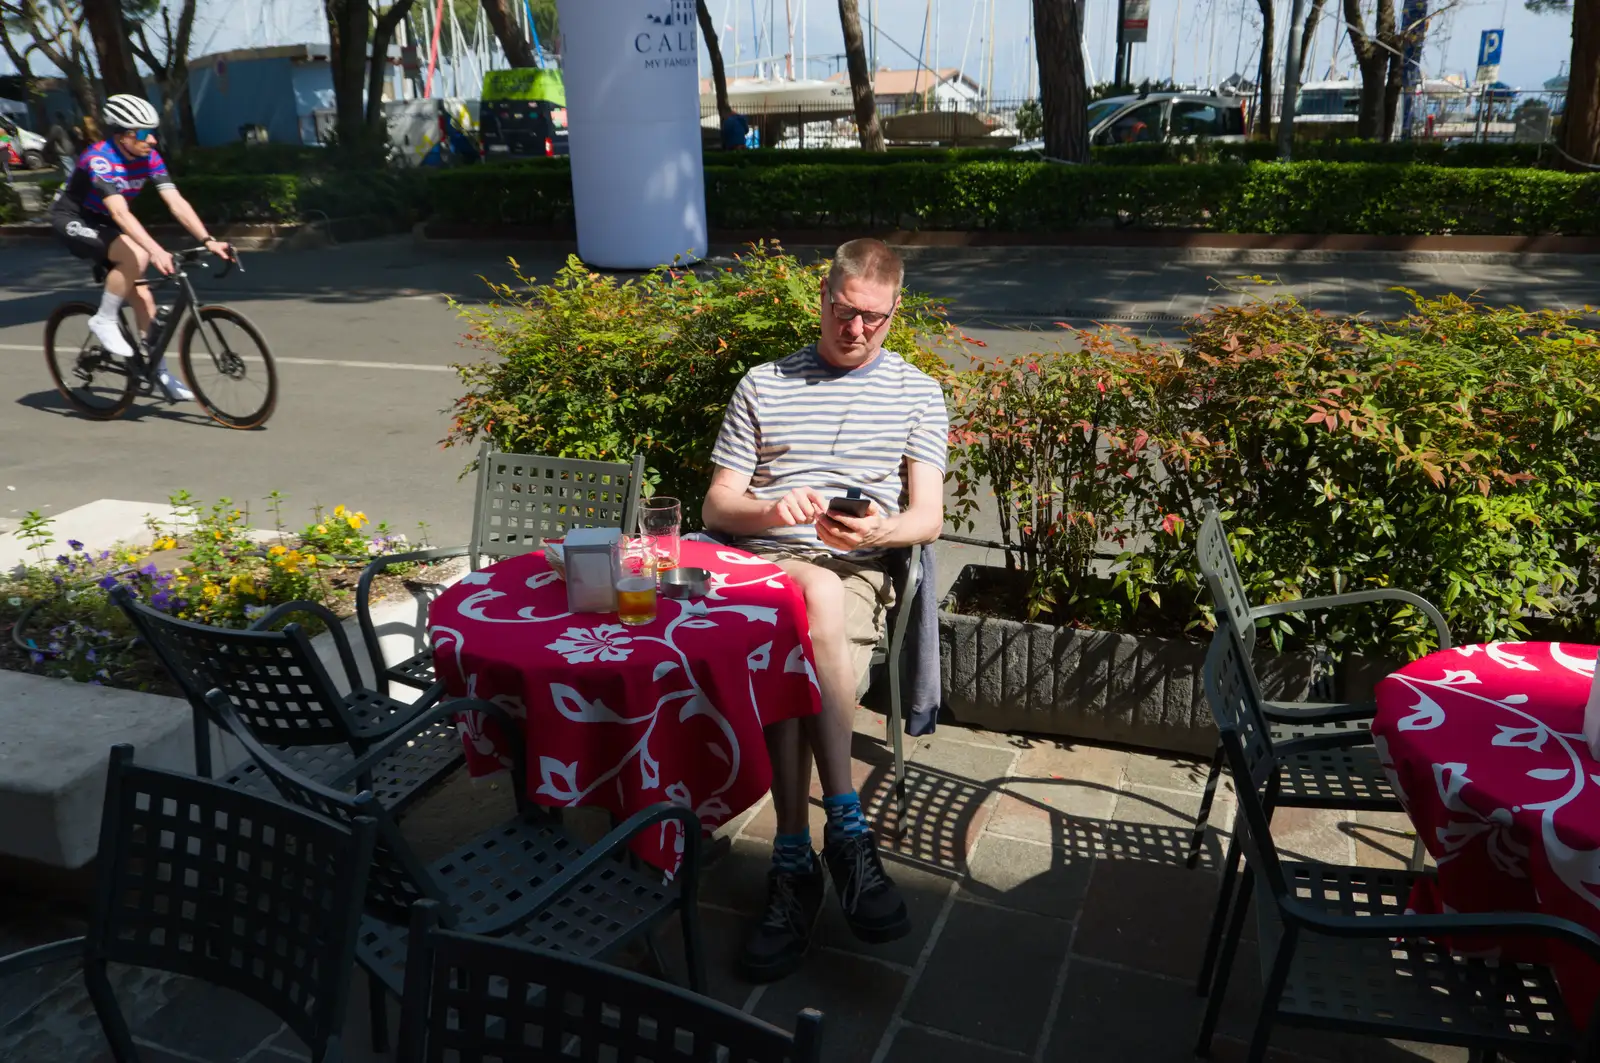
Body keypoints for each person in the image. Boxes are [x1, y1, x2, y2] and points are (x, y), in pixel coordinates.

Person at [700, 238, 947, 982]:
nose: (857, 329)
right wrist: (770, 510)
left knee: (811, 616)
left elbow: (927, 517)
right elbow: (717, 505)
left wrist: (877, 531)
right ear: (823, 298)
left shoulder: (917, 392)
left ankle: (792, 862)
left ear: (895, 312)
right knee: (808, 601)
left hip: (856, 569)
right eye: (845, 311)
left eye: (875, 317)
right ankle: (845, 828)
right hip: (762, 565)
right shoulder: (763, 383)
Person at [49, 94, 232, 401]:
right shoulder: (100, 159)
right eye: (145, 133)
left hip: (106, 223)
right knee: (138, 254)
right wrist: (156, 250)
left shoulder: (150, 157)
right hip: (73, 219)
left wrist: (208, 239)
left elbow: (176, 203)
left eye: (153, 132)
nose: (153, 140)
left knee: (145, 300)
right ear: (123, 136)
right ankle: (104, 318)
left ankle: (158, 372)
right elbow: (121, 213)